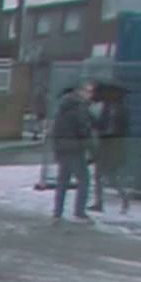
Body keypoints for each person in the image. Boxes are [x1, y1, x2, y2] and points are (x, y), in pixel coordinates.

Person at [50, 82, 96, 224]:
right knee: (84, 180)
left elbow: (55, 130)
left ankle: (58, 211)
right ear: (80, 92)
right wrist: (91, 148)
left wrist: (56, 148)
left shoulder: (63, 107)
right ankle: (79, 211)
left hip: (62, 149)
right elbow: (84, 130)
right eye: (88, 91)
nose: (90, 95)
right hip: (75, 149)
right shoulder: (80, 107)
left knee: (63, 181)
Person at [91, 89, 131, 214]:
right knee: (99, 175)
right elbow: (100, 125)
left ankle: (124, 198)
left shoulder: (123, 111)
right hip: (104, 145)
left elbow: (124, 130)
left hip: (113, 146)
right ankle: (99, 203)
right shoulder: (106, 108)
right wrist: (94, 121)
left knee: (111, 176)